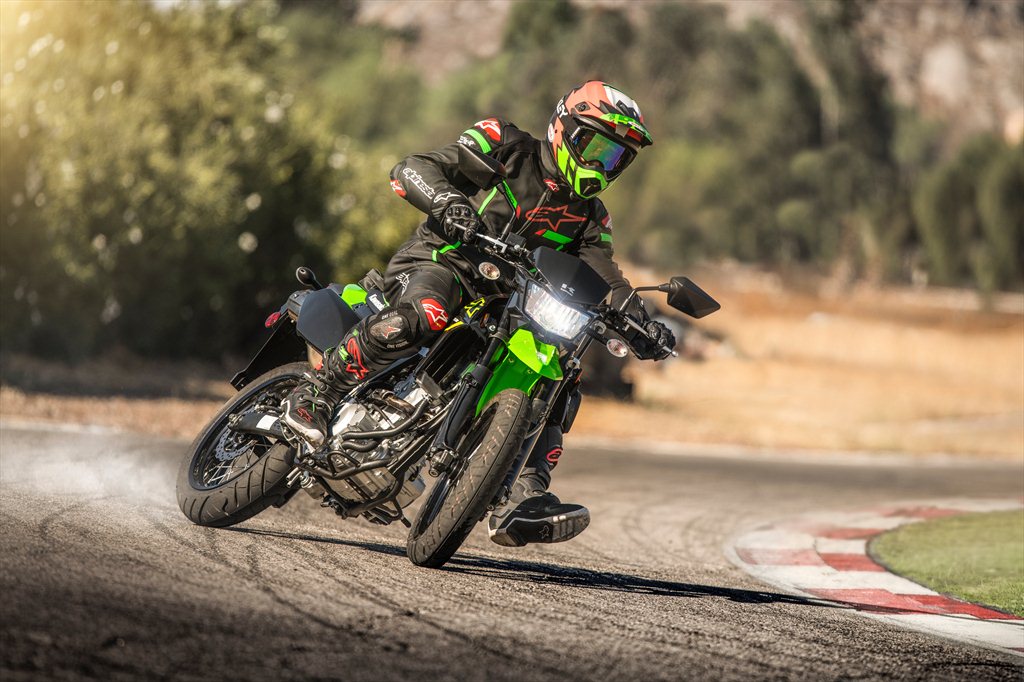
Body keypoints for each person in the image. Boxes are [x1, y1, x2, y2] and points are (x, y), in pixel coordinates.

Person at [282, 81, 675, 547]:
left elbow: (605, 276)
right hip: (441, 262)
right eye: (597, 148)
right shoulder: (505, 144)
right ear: (565, 128)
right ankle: (318, 394)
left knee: (559, 376)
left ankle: (524, 493)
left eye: (616, 157)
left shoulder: (591, 217)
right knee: (425, 315)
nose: (602, 164)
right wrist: (448, 202)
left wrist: (643, 322)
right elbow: (415, 168)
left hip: (506, 305)